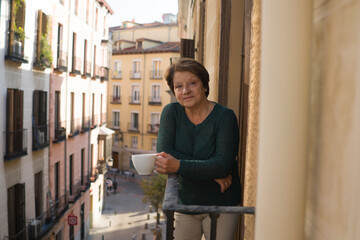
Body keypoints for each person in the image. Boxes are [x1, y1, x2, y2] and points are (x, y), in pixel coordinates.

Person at [155, 58, 242, 240]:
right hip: (185, 203)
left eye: (192, 83)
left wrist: (178, 165)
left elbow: (222, 166)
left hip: (222, 205)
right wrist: (211, 171)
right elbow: (164, 155)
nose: (185, 91)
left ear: (204, 85)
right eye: (178, 86)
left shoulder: (225, 117)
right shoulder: (171, 113)